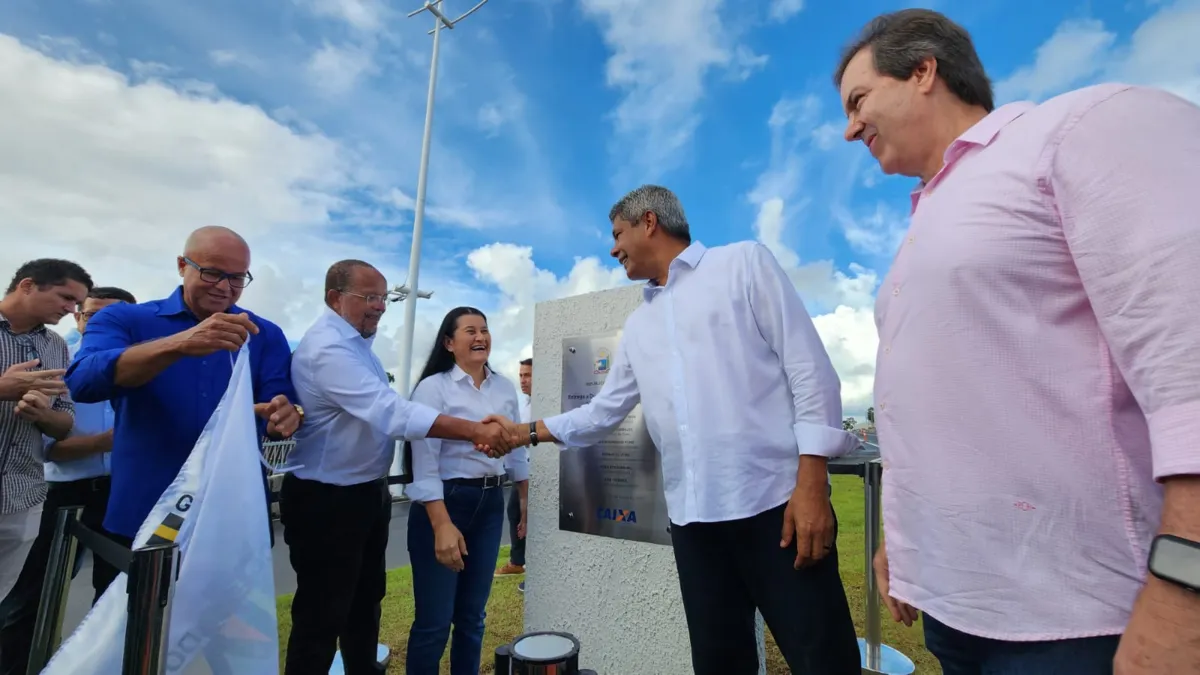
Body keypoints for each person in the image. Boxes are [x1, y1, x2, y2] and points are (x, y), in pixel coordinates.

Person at [834, 9, 1200, 674]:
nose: (849, 127)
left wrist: (1186, 591)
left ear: (923, 71)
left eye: (858, 101)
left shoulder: (1080, 128)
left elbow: (1189, 363)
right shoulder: (929, 219)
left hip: (1083, 622)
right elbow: (940, 403)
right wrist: (903, 537)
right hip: (961, 613)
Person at [483, 185, 862, 675]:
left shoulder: (744, 264)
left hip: (777, 510)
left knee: (821, 657)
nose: (612, 248)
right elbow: (601, 413)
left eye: (617, 234)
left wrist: (812, 485)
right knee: (719, 663)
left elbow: (810, 371)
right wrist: (521, 433)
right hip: (693, 524)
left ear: (648, 222)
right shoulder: (640, 325)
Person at [283, 261, 517, 675]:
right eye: (368, 298)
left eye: (383, 298)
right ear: (335, 297)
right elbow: (391, 415)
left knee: (364, 606)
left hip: (365, 494)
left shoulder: (358, 346)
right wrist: (474, 431)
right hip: (328, 498)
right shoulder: (329, 348)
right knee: (323, 618)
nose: (380, 307)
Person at [65, 226, 302, 558]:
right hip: (146, 509)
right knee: (129, 609)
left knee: (231, 611)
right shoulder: (125, 318)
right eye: (212, 273)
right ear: (181, 265)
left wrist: (283, 417)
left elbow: (277, 404)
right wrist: (180, 344)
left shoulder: (265, 333)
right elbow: (83, 381)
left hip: (235, 512)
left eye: (237, 278)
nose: (225, 287)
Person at [0, 286, 135, 675]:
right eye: (92, 315)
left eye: (116, 317)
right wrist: (106, 442)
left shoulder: (145, 367)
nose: (102, 324)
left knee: (116, 600)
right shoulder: (57, 364)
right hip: (64, 496)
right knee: (32, 601)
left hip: (124, 493)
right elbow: (49, 448)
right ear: (78, 318)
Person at [404, 307, 529, 675]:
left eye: (485, 330)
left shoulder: (504, 388)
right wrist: (441, 524)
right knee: (434, 621)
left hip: (490, 504)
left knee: (473, 617)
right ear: (448, 342)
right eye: (470, 330)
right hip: (445, 503)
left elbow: (517, 448)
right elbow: (424, 463)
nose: (481, 337)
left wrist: (524, 498)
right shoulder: (433, 388)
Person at [0, 260, 89, 606]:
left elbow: (64, 422)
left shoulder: (56, 346)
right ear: (27, 285)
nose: (71, 309)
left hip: (22, 499)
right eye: (65, 297)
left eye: (76, 303)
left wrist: (44, 415)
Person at [495, 357, 531, 581]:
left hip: (532, 473)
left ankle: (518, 561)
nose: (523, 380)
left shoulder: (541, 404)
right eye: (520, 376)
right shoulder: (524, 404)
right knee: (514, 513)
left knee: (520, 515)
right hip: (522, 470)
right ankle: (518, 560)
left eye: (528, 375)